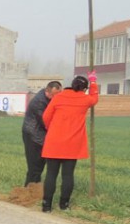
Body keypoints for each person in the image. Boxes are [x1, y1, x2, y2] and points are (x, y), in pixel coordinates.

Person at [40, 72, 99, 212]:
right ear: (84, 89)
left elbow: (46, 116)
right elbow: (95, 98)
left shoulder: (58, 97)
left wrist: (52, 129)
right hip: (73, 144)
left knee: (51, 174)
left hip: (54, 141)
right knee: (68, 175)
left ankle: (47, 206)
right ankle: (64, 205)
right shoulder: (85, 100)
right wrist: (93, 81)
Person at [22, 81, 63, 187]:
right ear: (47, 91)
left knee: (40, 165)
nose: (56, 97)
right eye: (54, 95)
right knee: (34, 165)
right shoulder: (39, 102)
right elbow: (46, 121)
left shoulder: (48, 99)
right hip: (33, 135)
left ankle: (34, 188)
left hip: (41, 135)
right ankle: (29, 190)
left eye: (58, 94)